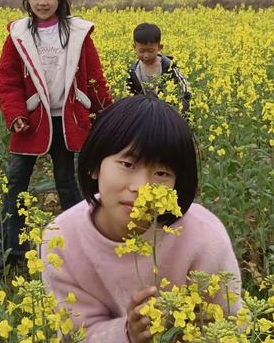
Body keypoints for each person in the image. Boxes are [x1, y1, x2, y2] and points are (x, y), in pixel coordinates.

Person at [41, 95, 241, 342]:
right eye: (127, 164)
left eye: (161, 173)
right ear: (94, 165)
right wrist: (127, 333)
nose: (142, 187)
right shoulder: (61, 238)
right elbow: (75, 333)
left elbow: (230, 324)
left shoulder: (204, 237)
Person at [0, 0, 112, 272]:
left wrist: (107, 117)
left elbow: (94, 77)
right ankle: (11, 248)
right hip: (31, 120)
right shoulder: (18, 35)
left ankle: (78, 244)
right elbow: (7, 81)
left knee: (68, 181)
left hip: (68, 119)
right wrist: (15, 114)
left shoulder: (78, 32)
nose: (42, 2)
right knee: (16, 181)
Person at [127, 22, 191, 116]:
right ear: (134, 47)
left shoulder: (169, 66)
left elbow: (185, 88)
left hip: (169, 112)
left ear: (160, 47)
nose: (146, 55)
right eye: (141, 51)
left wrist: (182, 110)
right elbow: (130, 96)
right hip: (145, 114)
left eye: (151, 51)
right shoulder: (133, 71)